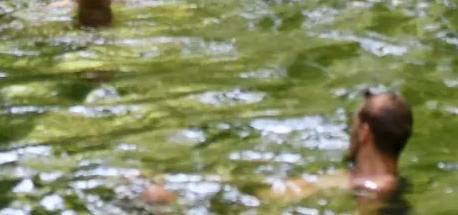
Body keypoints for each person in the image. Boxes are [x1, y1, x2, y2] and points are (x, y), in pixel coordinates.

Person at [143, 90, 414, 211]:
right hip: (246, 200)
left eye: (353, 127)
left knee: (151, 196)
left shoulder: (376, 191)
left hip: (240, 208)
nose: (349, 134)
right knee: (148, 186)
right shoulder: (365, 180)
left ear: (365, 134)